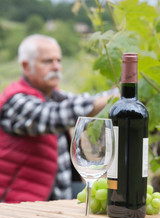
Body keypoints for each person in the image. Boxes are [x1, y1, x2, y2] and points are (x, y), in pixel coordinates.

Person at [0, 34, 119, 203]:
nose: (56, 67)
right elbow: (54, 116)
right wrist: (115, 98)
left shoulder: (53, 95)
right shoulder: (16, 100)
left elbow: (84, 99)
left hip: (56, 194)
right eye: (48, 61)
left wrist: (123, 93)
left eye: (58, 61)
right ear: (26, 66)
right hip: (20, 204)